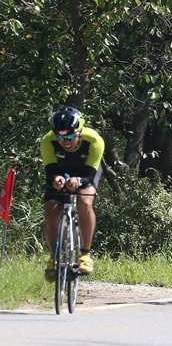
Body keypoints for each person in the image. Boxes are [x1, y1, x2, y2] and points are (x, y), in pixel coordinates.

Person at [41, 106, 105, 281]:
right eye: (60, 137)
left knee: (85, 202)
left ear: (80, 132)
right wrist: (56, 179)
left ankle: (85, 254)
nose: (65, 141)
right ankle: (54, 258)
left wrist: (78, 181)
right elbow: (50, 171)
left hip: (86, 172)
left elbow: (91, 176)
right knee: (50, 211)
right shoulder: (48, 141)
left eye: (70, 136)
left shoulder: (94, 140)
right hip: (61, 170)